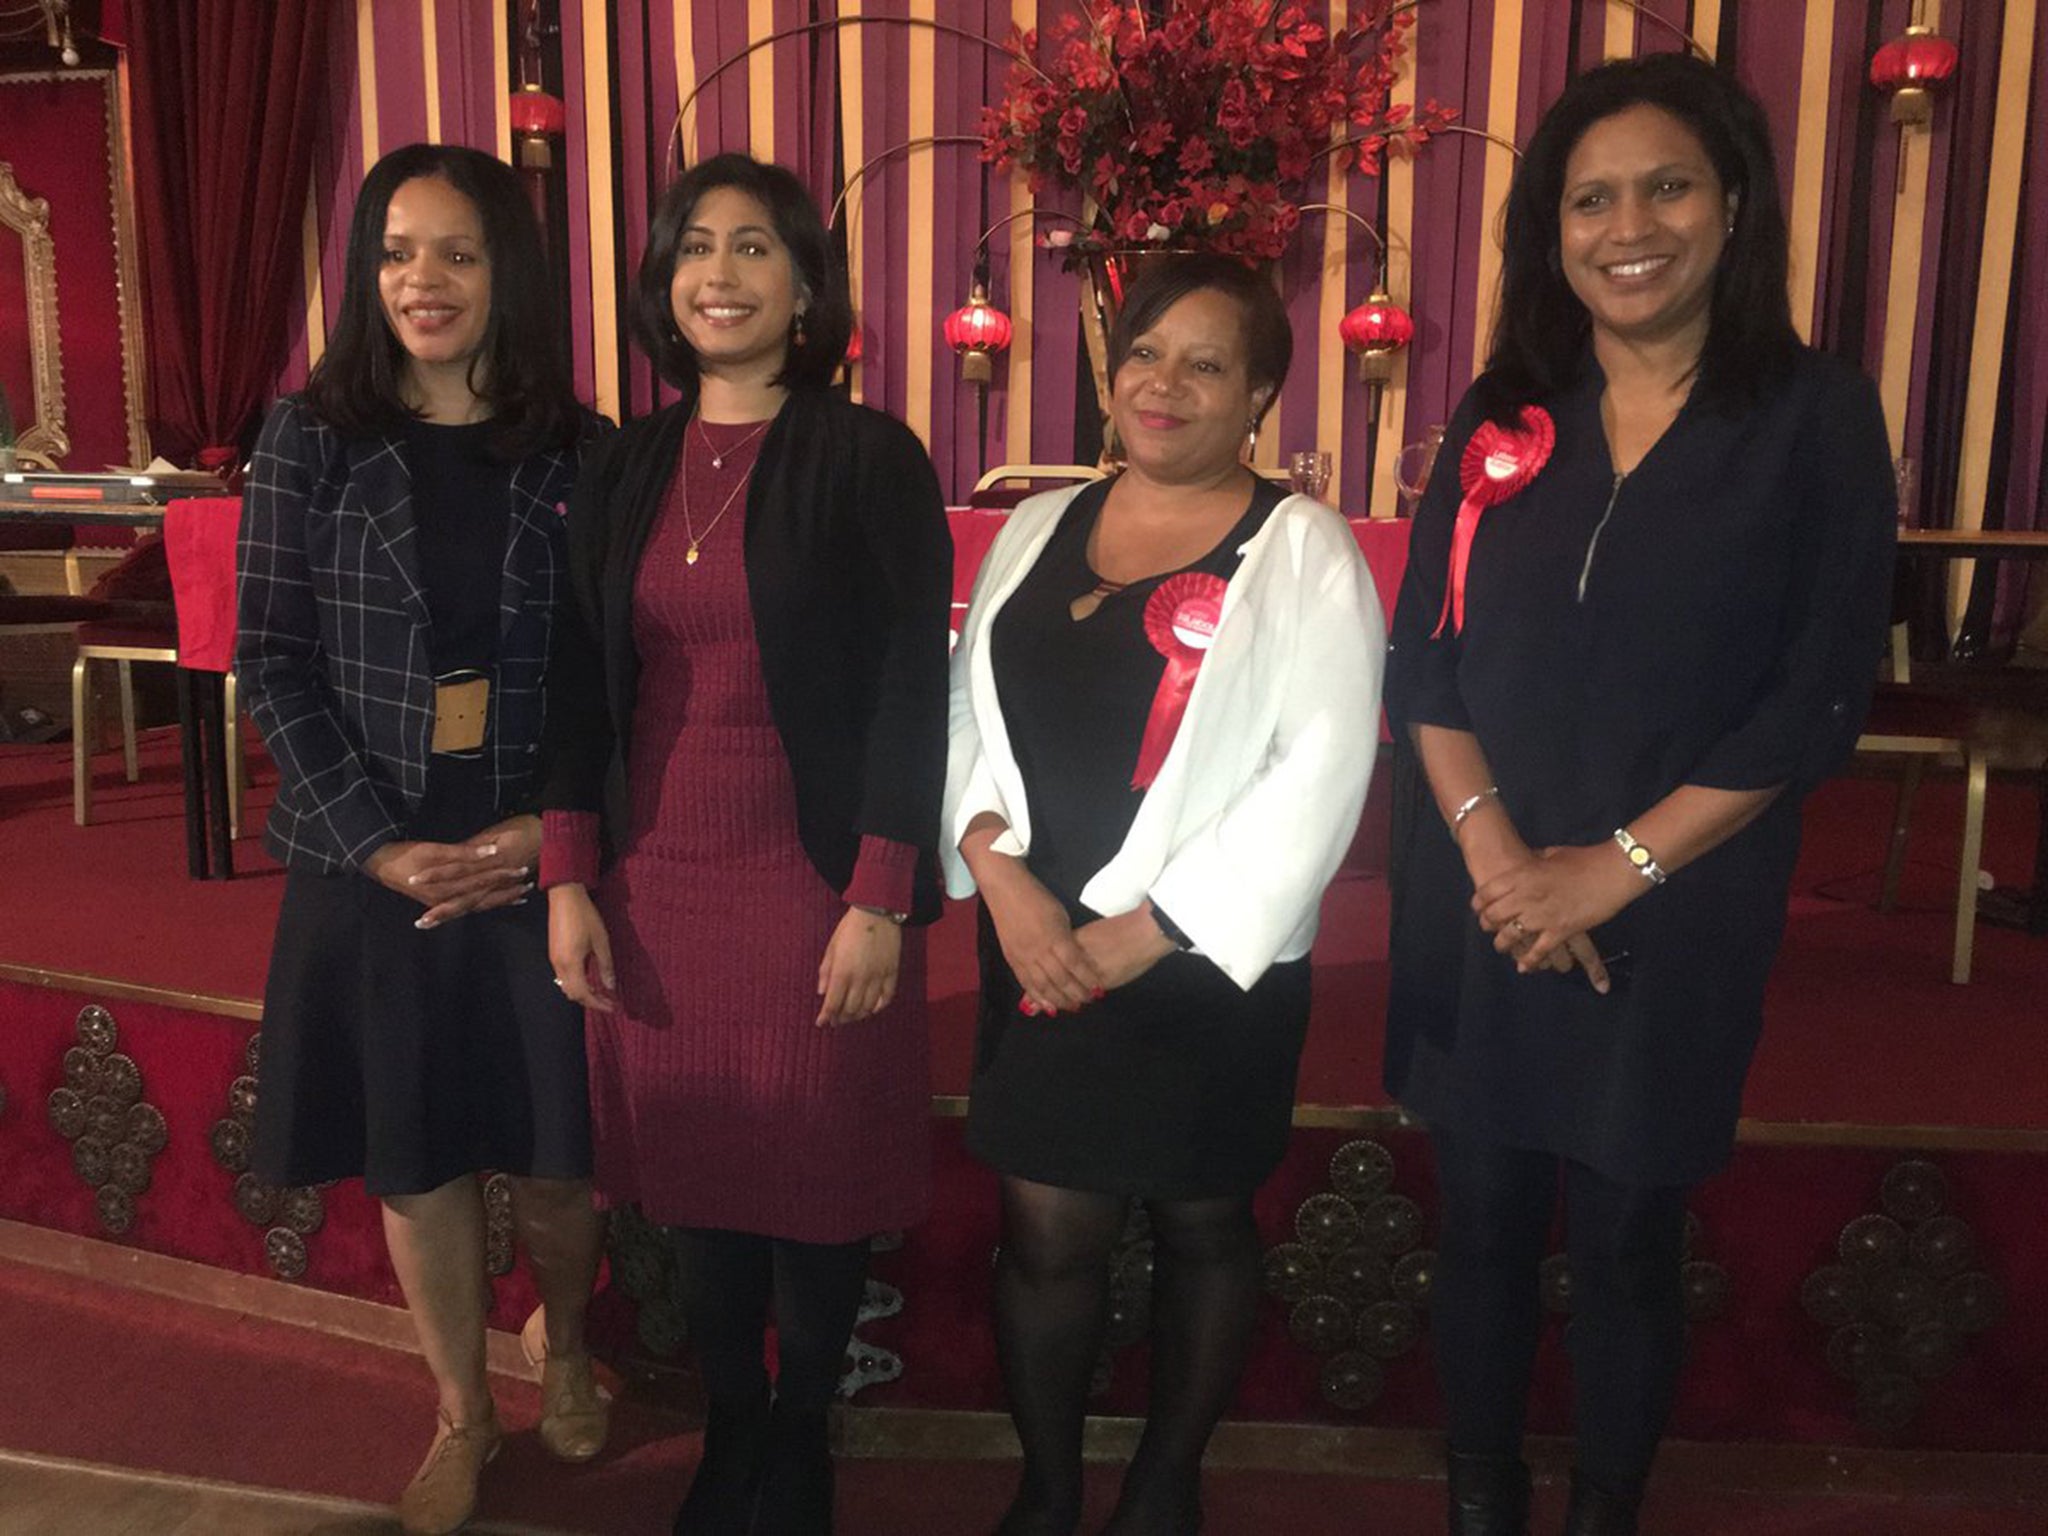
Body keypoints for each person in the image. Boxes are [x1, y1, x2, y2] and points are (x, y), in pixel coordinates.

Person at [1382, 54, 1896, 1536]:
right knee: (1476, 1225)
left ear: (1732, 205)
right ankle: (1482, 1499)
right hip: (1484, 901)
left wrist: (1610, 872)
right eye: (1590, 198)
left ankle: (1607, 1507)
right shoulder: (1504, 410)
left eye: (1666, 185)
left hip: (1679, 906)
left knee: (1621, 1234)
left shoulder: (1812, 417)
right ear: (1552, 231)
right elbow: (1427, 663)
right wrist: (1504, 864)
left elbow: (1815, 696)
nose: (1630, 225)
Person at [538, 152, 951, 1536]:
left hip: (812, 878)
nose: (721, 274)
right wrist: (568, 877)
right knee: (703, 1182)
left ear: (804, 289)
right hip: (658, 882)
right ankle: (732, 1419)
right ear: (664, 283)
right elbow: (573, 679)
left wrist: (879, 894)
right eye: (696, 248)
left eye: (756, 249)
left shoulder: (868, 456)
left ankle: (804, 1424)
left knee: (816, 1183)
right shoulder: (626, 462)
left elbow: (911, 680)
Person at [944, 254, 1386, 1536]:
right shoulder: (1034, 526)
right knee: (1045, 1238)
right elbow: (963, 719)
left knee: (1201, 1219)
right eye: (1145, 353)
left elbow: (1321, 760)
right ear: (1108, 368)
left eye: (1207, 363)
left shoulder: (1301, 549)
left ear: (1258, 395)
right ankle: (1045, 1486)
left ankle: (1165, 1479)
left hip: (1201, 966)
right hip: (1034, 947)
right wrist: (997, 877)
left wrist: (1150, 931)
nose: (1165, 384)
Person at [238, 143, 611, 1536]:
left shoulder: (580, 448)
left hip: (531, 857)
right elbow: (269, 663)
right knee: (419, 1154)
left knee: (560, 1160)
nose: (424, 281)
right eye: (397, 252)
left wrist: (544, 831)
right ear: (364, 269)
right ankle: (461, 1410)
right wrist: (381, 847)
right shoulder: (311, 440)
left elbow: (609, 672)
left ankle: (565, 1344)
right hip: (374, 862)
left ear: (506, 268)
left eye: (456, 252)